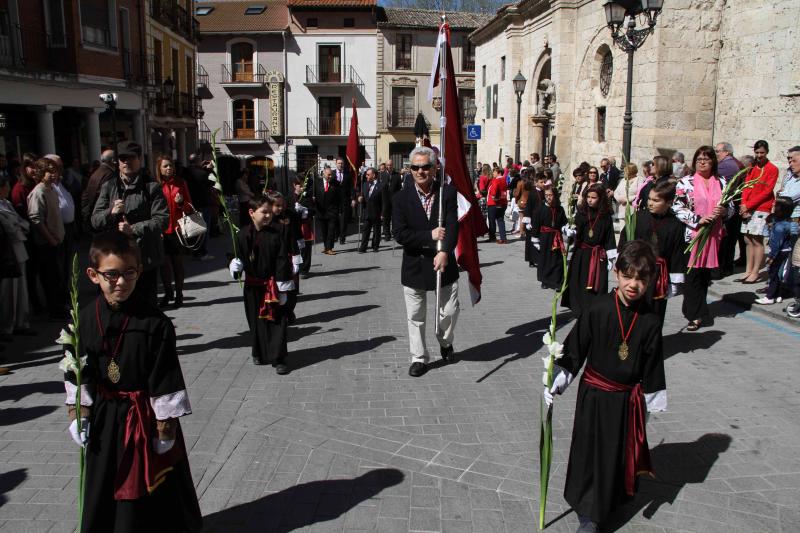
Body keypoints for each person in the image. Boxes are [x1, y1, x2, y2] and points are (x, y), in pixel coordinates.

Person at [63, 231, 201, 532]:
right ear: (93, 275)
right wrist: (79, 413)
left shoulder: (154, 323)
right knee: (105, 480)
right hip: (103, 416)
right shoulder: (82, 321)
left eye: (129, 273)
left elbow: (165, 375)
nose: (121, 282)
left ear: (139, 272)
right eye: (111, 275)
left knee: (150, 484)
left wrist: (164, 428)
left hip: (142, 417)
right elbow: (76, 371)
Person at [546, 239, 666, 533]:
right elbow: (576, 348)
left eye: (641, 279)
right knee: (589, 451)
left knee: (614, 453)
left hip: (626, 400)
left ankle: (607, 503)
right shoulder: (598, 308)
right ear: (616, 273)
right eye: (628, 276)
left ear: (650, 280)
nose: (633, 285)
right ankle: (588, 513)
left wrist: (649, 401)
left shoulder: (650, 320)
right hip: (594, 395)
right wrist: (556, 380)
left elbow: (653, 363)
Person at [392, 146, 459, 378]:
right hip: (415, 265)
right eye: (416, 167)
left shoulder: (447, 193)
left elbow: (452, 225)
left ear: (434, 168)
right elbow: (399, 234)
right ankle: (419, 357)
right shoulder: (401, 198)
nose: (421, 171)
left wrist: (445, 251)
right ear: (410, 170)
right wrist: (428, 236)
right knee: (416, 316)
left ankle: (445, 342)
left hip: (444, 263)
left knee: (449, 312)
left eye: (426, 167)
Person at [91, 141, 169, 307]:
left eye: (131, 158)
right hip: (114, 258)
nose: (126, 162)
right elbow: (95, 220)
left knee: (145, 306)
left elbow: (162, 220)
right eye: (122, 158)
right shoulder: (109, 186)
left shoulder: (151, 187)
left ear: (139, 159)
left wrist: (133, 229)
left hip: (143, 258)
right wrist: (111, 212)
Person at [228, 195, 294, 373]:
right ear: (251, 213)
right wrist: (235, 266)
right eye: (263, 212)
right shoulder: (242, 235)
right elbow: (235, 255)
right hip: (252, 287)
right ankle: (258, 351)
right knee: (256, 322)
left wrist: (282, 287)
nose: (267, 216)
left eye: (269, 212)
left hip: (271, 287)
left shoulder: (276, 235)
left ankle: (279, 358)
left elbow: (282, 260)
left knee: (276, 321)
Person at [673, 146, 731, 331]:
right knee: (692, 277)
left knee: (705, 276)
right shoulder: (685, 182)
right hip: (692, 236)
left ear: (713, 161)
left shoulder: (721, 182)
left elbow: (731, 207)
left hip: (713, 237)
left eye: (706, 159)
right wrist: (698, 220)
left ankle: (699, 309)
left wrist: (725, 211)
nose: (703, 162)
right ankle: (694, 314)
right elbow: (677, 207)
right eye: (699, 159)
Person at [619, 181, 686, 323]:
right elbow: (625, 241)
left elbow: (677, 253)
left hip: (658, 276)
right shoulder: (638, 217)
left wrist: (674, 282)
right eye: (649, 199)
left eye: (656, 200)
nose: (650, 203)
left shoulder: (675, 225)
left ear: (668, 202)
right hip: (636, 271)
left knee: (654, 311)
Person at [562, 183, 617, 315]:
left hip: (598, 255)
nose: (590, 200)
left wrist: (611, 257)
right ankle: (578, 309)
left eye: (594, 197)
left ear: (601, 198)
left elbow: (609, 237)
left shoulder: (605, 216)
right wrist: (570, 231)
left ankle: (594, 310)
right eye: (588, 197)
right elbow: (575, 228)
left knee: (597, 284)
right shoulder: (581, 213)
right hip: (581, 254)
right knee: (578, 282)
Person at [28, 157, 66, 319]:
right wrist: (50, 238)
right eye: (49, 171)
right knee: (49, 278)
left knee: (57, 276)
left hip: (57, 240)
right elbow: (36, 219)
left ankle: (58, 306)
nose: (53, 174)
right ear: (41, 173)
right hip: (46, 243)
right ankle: (54, 310)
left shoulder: (51, 189)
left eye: (55, 171)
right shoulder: (38, 191)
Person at [739, 140, 780, 284]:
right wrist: (743, 204)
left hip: (762, 207)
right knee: (747, 239)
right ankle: (748, 269)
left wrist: (749, 205)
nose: (759, 155)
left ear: (767, 152)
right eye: (757, 152)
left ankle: (756, 271)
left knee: (757, 240)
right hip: (748, 207)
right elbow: (747, 186)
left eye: (762, 153)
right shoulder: (753, 167)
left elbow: (767, 191)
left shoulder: (772, 169)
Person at [155, 156, 193, 309]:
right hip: (161, 231)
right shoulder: (155, 186)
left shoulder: (181, 183)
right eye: (165, 166)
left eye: (170, 165)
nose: (168, 168)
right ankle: (168, 292)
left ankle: (179, 294)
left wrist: (181, 203)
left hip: (177, 230)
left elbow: (189, 207)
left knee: (177, 265)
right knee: (164, 265)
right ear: (159, 169)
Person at [0, 175, 31, 338]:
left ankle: (21, 322)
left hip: (19, 249)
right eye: (6, 185)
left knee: (21, 290)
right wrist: (18, 226)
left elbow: (21, 222)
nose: (8, 188)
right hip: (8, 253)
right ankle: (7, 327)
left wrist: (19, 226)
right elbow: (10, 228)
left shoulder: (7, 204)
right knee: (8, 292)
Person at [754, 196, 794, 305]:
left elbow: (776, 245)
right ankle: (778, 294)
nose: (773, 206)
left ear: (781, 209)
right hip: (785, 250)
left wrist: (771, 257)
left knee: (773, 273)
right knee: (778, 273)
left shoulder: (779, 226)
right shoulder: (787, 222)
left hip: (779, 252)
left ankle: (770, 296)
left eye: (776, 205)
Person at [715, 142, 746, 275]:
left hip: (729, 207)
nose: (716, 154)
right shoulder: (734, 163)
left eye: (718, 151)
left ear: (727, 152)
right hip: (732, 206)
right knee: (729, 241)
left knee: (725, 241)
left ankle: (722, 269)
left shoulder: (727, 165)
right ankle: (726, 267)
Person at [531, 184, 567, 290]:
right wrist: (535, 240)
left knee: (557, 259)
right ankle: (545, 280)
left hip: (556, 237)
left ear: (555, 195)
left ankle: (557, 281)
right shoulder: (540, 209)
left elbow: (563, 222)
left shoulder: (559, 209)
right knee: (545, 259)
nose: (548, 197)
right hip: (545, 238)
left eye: (551, 195)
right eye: (546, 195)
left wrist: (567, 228)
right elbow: (536, 225)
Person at [184, 154, 214, 261]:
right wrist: (209, 170)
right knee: (204, 229)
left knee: (193, 229)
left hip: (190, 204)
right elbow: (212, 182)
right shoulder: (203, 173)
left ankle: (194, 251)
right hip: (203, 204)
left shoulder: (185, 173)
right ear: (197, 161)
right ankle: (203, 253)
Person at [82, 150, 116, 231]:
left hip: (93, 212)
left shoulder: (98, 171)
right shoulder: (109, 174)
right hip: (102, 214)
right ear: (112, 160)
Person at [314, 166, 341, 255]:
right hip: (321, 212)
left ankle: (330, 248)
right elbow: (312, 193)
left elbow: (339, 197)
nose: (330, 176)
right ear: (323, 174)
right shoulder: (317, 183)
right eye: (328, 175)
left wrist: (339, 210)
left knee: (331, 231)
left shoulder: (335, 183)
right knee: (324, 231)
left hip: (332, 211)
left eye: (331, 175)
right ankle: (326, 247)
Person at [290, 177, 314, 279]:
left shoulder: (307, 198)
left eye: (304, 185)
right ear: (295, 185)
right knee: (294, 248)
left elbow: (313, 211)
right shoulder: (289, 197)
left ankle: (304, 269)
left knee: (306, 248)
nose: (302, 188)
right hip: (293, 226)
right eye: (300, 185)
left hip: (305, 226)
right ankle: (294, 267)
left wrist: (305, 210)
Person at [357, 167, 383, 253]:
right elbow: (363, 196)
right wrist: (360, 198)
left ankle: (375, 246)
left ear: (374, 175)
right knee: (365, 231)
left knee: (376, 231)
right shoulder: (364, 184)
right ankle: (363, 248)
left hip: (377, 212)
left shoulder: (381, 186)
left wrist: (383, 213)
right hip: (367, 212)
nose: (366, 176)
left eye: (368, 175)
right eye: (366, 175)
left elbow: (384, 201)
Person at [613, 163, 642, 230]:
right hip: (622, 209)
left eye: (626, 170)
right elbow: (616, 192)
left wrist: (627, 199)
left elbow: (639, 193)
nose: (624, 172)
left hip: (632, 209)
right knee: (622, 231)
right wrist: (619, 199)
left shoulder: (639, 179)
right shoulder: (623, 180)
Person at [334, 157, 355, 245]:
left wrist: (353, 198)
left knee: (343, 221)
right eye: (339, 163)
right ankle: (336, 235)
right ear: (336, 164)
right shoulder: (332, 173)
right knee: (335, 220)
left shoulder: (348, 174)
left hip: (345, 201)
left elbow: (351, 188)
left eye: (342, 163)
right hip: (334, 201)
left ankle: (342, 237)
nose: (340, 165)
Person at [486, 167, 508, 243]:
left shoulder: (496, 180)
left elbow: (494, 190)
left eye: (494, 172)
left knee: (492, 220)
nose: (493, 173)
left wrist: (493, 196)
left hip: (493, 203)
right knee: (500, 220)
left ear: (498, 172)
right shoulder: (504, 180)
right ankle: (503, 238)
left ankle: (492, 237)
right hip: (502, 203)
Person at [381, 160, 402, 240]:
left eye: (391, 165)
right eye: (388, 165)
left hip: (394, 198)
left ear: (393, 165)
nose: (389, 167)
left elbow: (399, 188)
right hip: (385, 198)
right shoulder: (382, 175)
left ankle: (394, 232)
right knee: (386, 217)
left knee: (394, 217)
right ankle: (387, 234)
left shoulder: (397, 175)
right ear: (386, 166)